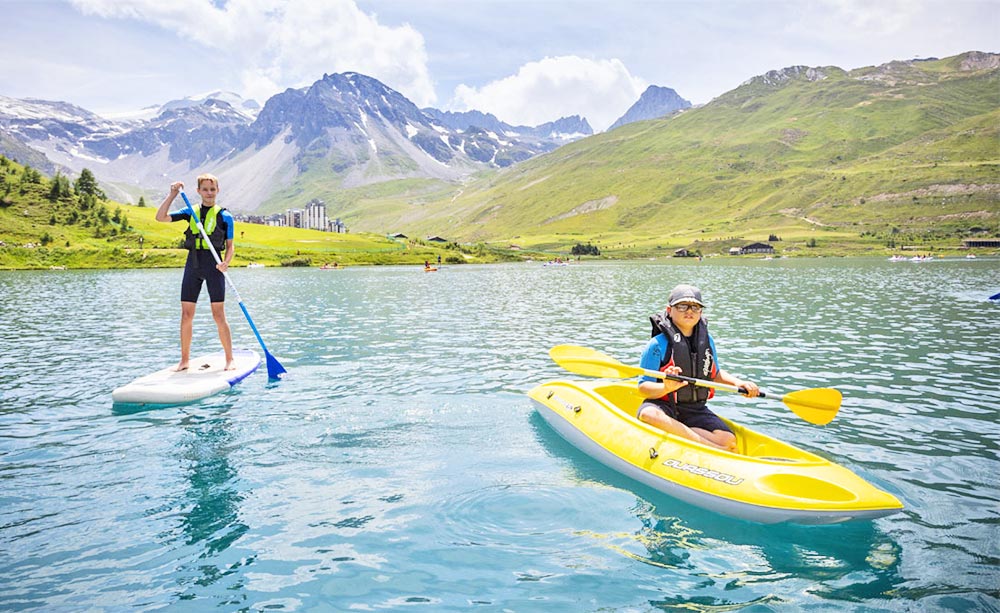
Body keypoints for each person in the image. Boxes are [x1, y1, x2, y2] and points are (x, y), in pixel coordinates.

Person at [637, 284, 759, 451]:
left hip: (695, 409)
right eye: (682, 306)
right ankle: (715, 450)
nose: (689, 311)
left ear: (701, 312)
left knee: (728, 439)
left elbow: (714, 374)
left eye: (695, 307)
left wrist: (739, 383)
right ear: (669, 310)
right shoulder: (657, 344)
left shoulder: (707, 341)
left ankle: (679, 432)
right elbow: (643, 387)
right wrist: (666, 387)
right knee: (648, 415)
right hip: (662, 406)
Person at [155, 174, 235, 371]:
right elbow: (160, 217)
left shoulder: (225, 216)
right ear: (198, 191)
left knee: (218, 315)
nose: (209, 193)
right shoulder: (190, 211)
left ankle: (229, 359)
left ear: (218, 190)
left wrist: (226, 262)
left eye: (212, 189)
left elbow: (230, 247)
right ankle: (184, 361)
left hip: (214, 266)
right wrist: (172, 194)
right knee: (186, 314)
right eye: (205, 189)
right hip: (193, 265)